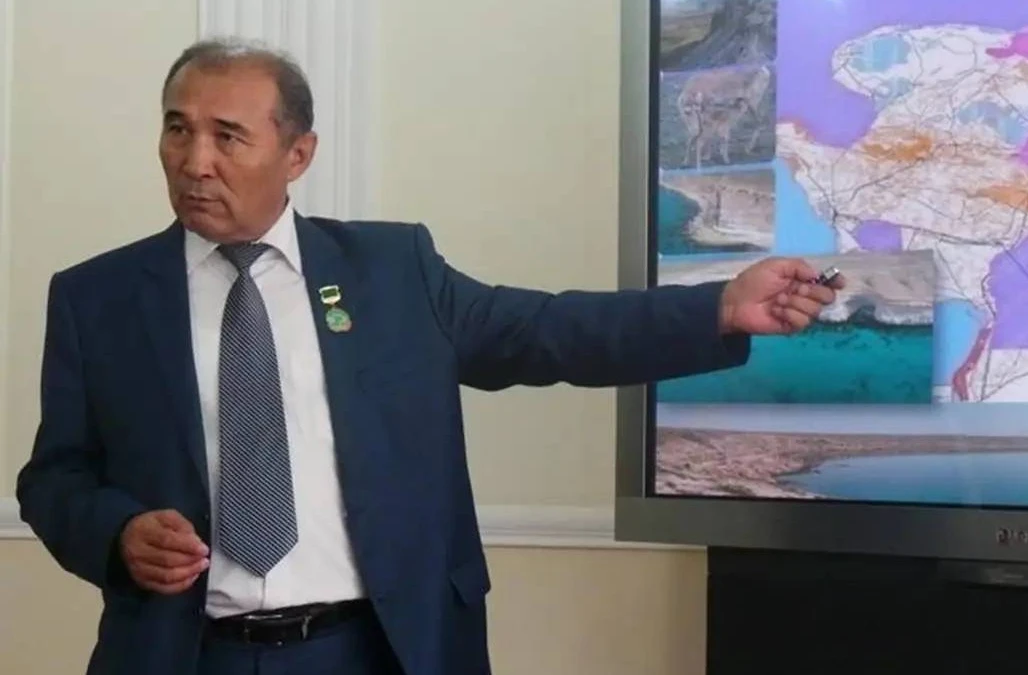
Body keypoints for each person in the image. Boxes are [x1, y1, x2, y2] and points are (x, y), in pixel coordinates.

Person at [14, 38, 844, 675]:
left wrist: (719, 307)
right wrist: (116, 532)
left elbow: (549, 329)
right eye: (178, 129)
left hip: (378, 647)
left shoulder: (390, 271)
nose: (195, 161)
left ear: (297, 154)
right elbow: (55, 479)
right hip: (185, 652)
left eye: (228, 136)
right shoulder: (97, 299)